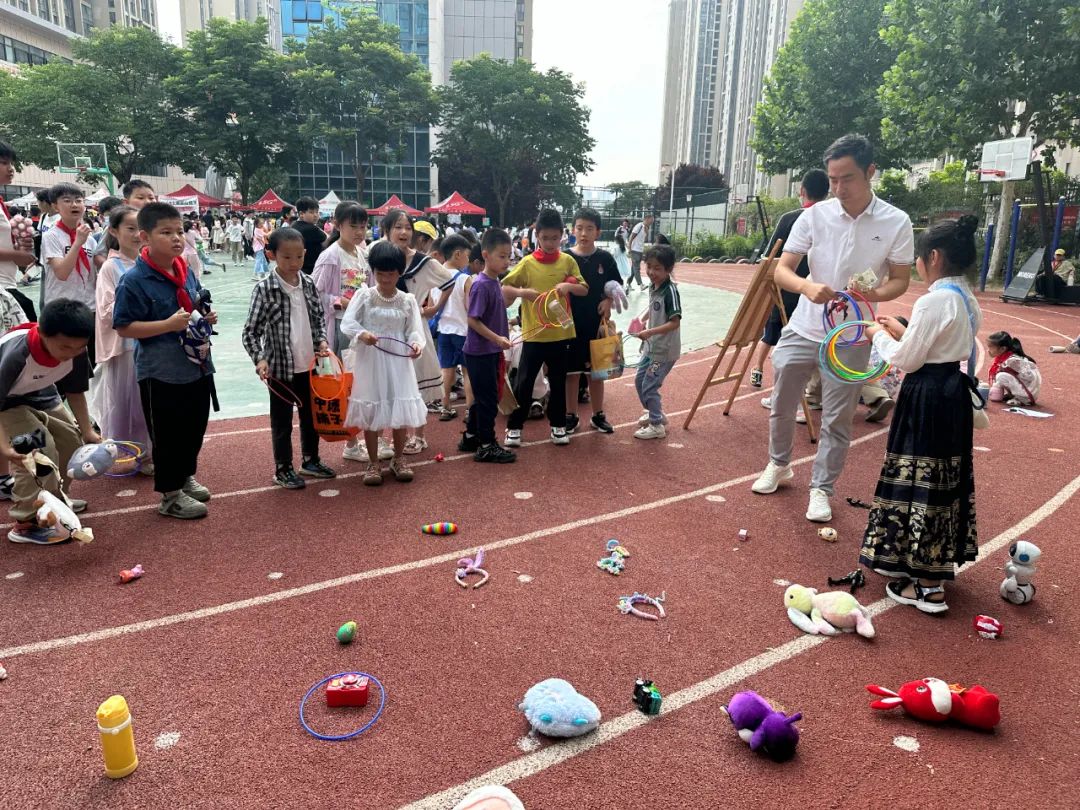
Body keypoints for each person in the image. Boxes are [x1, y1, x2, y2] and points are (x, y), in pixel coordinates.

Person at [751, 134, 914, 523]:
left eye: (847, 178)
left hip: (852, 335)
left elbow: (902, 280)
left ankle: (822, 489)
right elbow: (782, 269)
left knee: (837, 417)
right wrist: (807, 286)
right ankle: (779, 464)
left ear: (870, 172)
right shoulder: (815, 215)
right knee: (781, 400)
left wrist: (875, 290)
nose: (838, 187)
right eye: (833, 178)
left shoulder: (896, 221)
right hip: (805, 326)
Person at [859, 216, 983, 614]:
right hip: (951, 394)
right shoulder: (965, 295)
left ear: (932, 256)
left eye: (918, 257)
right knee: (941, 481)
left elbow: (908, 360)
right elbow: (940, 342)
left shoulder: (934, 299)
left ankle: (928, 587)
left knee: (920, 479)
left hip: (927, 396)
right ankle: (930, 567)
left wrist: (877, 335)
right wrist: (903, 328)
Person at [113, 202, 217, 520]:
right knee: (168, 433)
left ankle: (185, 477)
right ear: (145, 237)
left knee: (194, 427)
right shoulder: (134, 281)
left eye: (180, 231)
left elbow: (195, 301)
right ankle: (170, 495)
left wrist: (205, 317)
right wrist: (167, 325)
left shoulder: (184, 270)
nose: (176, 238)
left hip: (196, 364)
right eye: (166, 232)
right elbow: (123, 325)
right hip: (161, 370)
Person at [242, 227, 336, 489]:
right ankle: (283, 468)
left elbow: (318, 319)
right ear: (272, 255)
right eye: (287, 258)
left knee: (311, 416)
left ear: (305, 254)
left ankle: (310, 460)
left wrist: (322, 341)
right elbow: (250, 332)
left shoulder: (307, 283)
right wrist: (260, 359)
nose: (294, 263)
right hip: (280, 369)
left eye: (299, 257)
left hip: (309, 366)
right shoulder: (265, 289)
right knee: (282, 421)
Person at [0, 299, 94, 544]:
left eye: (78, 347)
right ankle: (27, 521)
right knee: (37, 449)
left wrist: (87, 431)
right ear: (42, 334)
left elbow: (75, 392)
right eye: (64, 347)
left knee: (72, 443)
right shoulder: (16, 355)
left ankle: (55, 500)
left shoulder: (77, 350)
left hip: (39, 392)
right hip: (5, 400)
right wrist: (5, 448)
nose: (71, 354)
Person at [339, 241, 427, 486]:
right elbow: (347, 324)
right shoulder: (364, 296)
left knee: (400, 409)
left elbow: (414, 331)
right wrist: (362, 334)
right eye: (380, 273)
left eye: (391, 273)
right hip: (372, 360)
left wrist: (417, 345)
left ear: (399, 272)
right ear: (373, 272)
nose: (386, 278)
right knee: (372, 409)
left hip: (399, 362)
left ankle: (399, 459)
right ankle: (373, 462)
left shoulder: (407, 300)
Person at [500, 208, 588, 447]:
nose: (550, 243)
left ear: (562, 235)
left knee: (558, 382)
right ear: (536, 235)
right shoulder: (527, 264)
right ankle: (514, 427)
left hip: (560, 334)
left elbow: (584, 288)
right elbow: (504, 289)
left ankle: (558, 426)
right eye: (545, 237)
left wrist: (569, 287)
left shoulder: (567, 261)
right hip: (535, 336)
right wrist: (522, 292)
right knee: (525, 382)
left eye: (554, 237)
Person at [383, 212, 456, 454]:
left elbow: (449, 281)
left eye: (407, 227)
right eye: (397, 227)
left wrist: (434, 307)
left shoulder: (423, 263)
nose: (403, 232)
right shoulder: (379, 255)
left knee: (416, 387)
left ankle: (419, 436)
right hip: (386, 329)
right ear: (386, 230)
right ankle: (394, 436)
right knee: (392, 387)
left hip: (414, 329)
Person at [752, 169, 829, 390]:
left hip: (785, 291)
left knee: (773, 333)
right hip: (817, 293)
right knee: (809, 339)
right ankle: (810, 388)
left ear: (802, 191)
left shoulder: (791, 218)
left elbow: (769, 258)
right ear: (827, 192)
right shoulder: (831, 220)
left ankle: (758, 369)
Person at [39, 183, 100, 446]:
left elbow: (95, 273)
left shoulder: (91, 237)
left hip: (89, 310)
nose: (75, 205)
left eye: (78, 199)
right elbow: (62, 272)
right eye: (67, 200)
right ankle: (76, 428)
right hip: (64, 313)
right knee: (65, 375)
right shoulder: (52, 236)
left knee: (84, 374)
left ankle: (85, 426)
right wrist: (78, 243)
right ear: (55, 206)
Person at [94, 205, 153, 469]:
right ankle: (134, 452)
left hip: (150, 340)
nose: (136, 234)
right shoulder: (111, 267)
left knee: (146, 401)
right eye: (129, 228)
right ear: (114, 231)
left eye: (139, 228)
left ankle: (149, 450)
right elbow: (107, 311)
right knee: (126, 403)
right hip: (126, 345)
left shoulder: (147, 262)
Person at [565, 207, 623, 435]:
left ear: (598, 232)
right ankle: (571, 415)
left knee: (596, 373)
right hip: (569, 326)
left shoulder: (605, 259)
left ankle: (598, 415)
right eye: (579, 228)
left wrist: (608, 301)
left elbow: (616, 284)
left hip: (596, 327)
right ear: (572, 230)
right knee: (571, 373)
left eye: (589, 228)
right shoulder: (565, 257)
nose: (584, 233)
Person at [460, 228, 516, 463]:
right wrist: (496, 338)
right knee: (488, 400)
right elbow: (472, 320)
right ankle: (486, 444)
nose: (506, 261)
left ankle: (472, 436)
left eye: (509, 256)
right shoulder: (482, 285)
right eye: (501, 256)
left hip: (489, 351)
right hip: (480, 352)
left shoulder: (494, 282)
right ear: (485, 255)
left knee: (484, 397)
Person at [632, 245, 682, 439]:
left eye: (657, 268)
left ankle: (656, 425)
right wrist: (641, 319)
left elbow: (674, 322)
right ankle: (656, 413)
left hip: (663, 350)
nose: (651, 272)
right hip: (651, 346)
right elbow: (653, 307)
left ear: (668, 270)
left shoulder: (670, 291)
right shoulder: (655, 286)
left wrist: (649, 331)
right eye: (649, 266)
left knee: (649, 386)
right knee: (639, 380)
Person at [311, 201, 370, 354]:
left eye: (362, 227)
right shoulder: (330, 257)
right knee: (345, 370)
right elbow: (314, 294)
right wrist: (340, 302)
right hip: (340, 322)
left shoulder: (363, 254)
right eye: (353, 226)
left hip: (361, 321)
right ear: (337, 225)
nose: (359, 232)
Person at [431, 233, 473, 422]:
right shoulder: (465, 279)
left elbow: (433, 303)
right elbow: (470, 308)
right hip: (463, 331)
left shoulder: (434, 276)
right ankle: (471, 411)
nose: (468, 260)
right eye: (467, 255)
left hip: (443, 330)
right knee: (467, 371)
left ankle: (445, 406)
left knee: (446, 369)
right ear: (457, 254)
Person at [0, 141, 39, 321]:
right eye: (3, 162)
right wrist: (17, 255)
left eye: (11, 163)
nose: (11, 168)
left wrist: (17, 248)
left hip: (7, 284)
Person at [986, 330, 1041, 406]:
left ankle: (1022, 399)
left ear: (1003, 349)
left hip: (1029, 393)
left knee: (1001, 376)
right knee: (1000, 374)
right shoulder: (1003, 358)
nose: (988, 350)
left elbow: (1030, 377)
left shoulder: (1012, 361)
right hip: (1026, 388)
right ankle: (1013, 395)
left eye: (990, 347)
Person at [292, 197, 327, 275]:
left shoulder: (294, 225)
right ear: (301, 214)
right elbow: (324, 237)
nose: (315, 215)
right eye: (311, 212)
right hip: (311, 269)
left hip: (299, 268)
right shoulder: (311, 229)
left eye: (317, 212)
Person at [627, 213, 653, 291]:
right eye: (651, 220)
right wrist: (629, 248)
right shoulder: (639, 226)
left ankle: (628, 284)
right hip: (634, 250)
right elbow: (631, 237)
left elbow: (643, 240)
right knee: (636, 267)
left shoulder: (646, 228)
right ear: (647, 219)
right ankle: (641, 284)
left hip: (640, 250)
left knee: (633, 268)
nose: (652, 222)